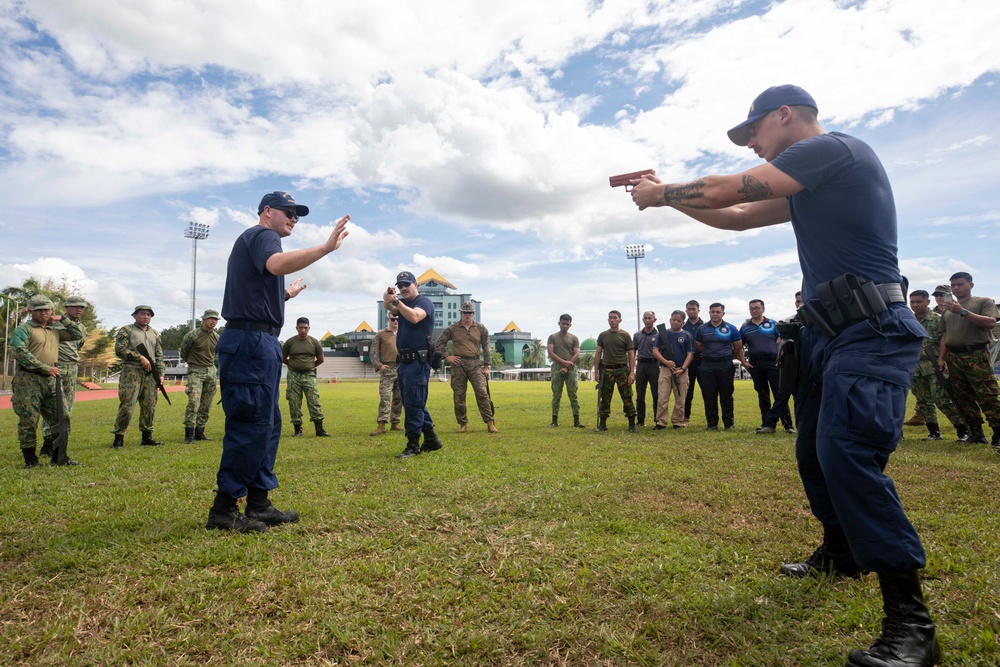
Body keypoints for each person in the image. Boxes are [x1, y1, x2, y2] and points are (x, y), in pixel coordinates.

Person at [630, 84, 939, 665]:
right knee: (813, 453)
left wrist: (662, 190)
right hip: (828, 335)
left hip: (871, 330)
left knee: (847, 453)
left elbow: (730, 188)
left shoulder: (833, 151)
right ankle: (842, 551)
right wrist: (667, 199)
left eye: (754, 135)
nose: (755, 146)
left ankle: (912, 623)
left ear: (785, 115)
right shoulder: (807, 182)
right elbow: (740, 215)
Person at [206, 191, 349, 533]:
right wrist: (325, 249)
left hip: (262, 341)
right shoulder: (263, 236)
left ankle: (258, 502)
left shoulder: (260, 241)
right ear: (267, 211)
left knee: (268, 424)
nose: (294, 218)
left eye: (298, 214)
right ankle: (224, 509)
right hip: (251, 343)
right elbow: (274, 265)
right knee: (251, 424)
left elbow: (256, 289)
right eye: (289, 212)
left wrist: (285, 295)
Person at [9, 295, 84, 467]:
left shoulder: (55, 329)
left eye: (47, 309)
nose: (44, 312)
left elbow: (77, 334)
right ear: (30, 311)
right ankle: (30, 459)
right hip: (28, 380)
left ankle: (58, 455)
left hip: (51, 380)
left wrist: (64, 319)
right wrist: (44, 367)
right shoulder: (23, 329)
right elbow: (20, 353)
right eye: (39, 309)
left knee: (62, 416)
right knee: (29, 419)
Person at [383, 271, 445, 458]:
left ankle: (413, 444)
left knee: (413, 403)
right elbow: (390, 307)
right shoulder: (403, 305)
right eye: (400, 286)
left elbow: (415, 317)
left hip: (418, 361)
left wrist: (397, 302)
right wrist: (387, 298)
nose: (403, 288)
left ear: (415, 285)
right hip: (404, 362)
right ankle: (432, 439)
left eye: (406, 285)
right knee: (413, 401)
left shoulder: (423, 302)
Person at [937, 272, 1000, 449]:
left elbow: (990, 322)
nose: (956, 288)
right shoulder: (947, 310)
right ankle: (976, 432)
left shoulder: (982, 302)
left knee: (987, 395)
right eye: (953, 285)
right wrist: (941, 358)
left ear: (970, 285)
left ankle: (998, 433)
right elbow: (945, 335)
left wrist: (963, 311)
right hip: (954, 357)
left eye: (960, 284)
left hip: (975, 355)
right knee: (962, 396)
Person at [907, 290, 966, 442]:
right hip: (915, 367)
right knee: (923, 401)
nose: (915, 304)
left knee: (942, 399)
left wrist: (942, 359)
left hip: (934, 364)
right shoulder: (909, 321)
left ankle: (963, 431)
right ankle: (934, 432)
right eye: (912, 301)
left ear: (927, 302)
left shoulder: (937, 319)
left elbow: (945, 341)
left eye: (919, 301)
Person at [435, 301, 497, 433]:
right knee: (459, 395)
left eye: (470, 313)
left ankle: (490, 422)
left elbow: (486, 347)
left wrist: (486, 366)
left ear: (473, 313)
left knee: (482, 392)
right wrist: (448, 356)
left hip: (475, 364)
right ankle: (462, 424)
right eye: (465, 312)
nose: (467, 315)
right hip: (458, 364)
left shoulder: (481, 328)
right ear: (461, 313)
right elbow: (439, 343)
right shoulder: (452, 328)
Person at [40, 295, 88, 457]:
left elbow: (78, 344)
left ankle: (61, 441)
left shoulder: (81, 327)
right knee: (53, 405)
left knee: (67, 405)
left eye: (81, 307)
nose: (79, 309)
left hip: (71, 367)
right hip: (55, 366)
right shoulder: (54, 322)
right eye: (75, 306)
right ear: (66, 307)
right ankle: (48, 442)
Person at [112, 305, 165, 449]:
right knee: (127, 405)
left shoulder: (155, 333)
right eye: (142, 314)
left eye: (149, 314)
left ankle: (147, 437)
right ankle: (119, 437)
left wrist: (160, 374)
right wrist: (139, 356)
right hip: (132, 371)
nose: (146, 316)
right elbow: (120, 349)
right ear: (134, 315)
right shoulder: (126, 330)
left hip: (150, 374)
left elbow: (159, 355)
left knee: (149, 405)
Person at [740, 299, 794, 434]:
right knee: (762, 394)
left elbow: (782, 342)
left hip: (773, 362)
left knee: (779, 393)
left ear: (763, 309)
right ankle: (767, 425)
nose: (754, 310)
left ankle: (788, 425)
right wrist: (744, 362)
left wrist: (781, 358)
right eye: (751, 308)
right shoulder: (745, 327)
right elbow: (738, 346)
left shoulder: (773, 324)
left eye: (757, 308)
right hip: (755, 364)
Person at [694, 303, 746, 431]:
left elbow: (738, 346)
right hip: (707, 365)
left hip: (725, 364)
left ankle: (729, 424)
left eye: (718, 312)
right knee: (709, 395)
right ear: (709, 313)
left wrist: (728, 356)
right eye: (713, 312)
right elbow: (698, 345)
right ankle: (712, 424)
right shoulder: (702, 329)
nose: (715, 314)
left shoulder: (731, 328)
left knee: (726, 395)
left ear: (723, 313)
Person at [282, 317, 330, 437]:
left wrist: (309, 366)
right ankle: (298, 429)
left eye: (305, 328)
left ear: (309, 328)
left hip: (309, 374)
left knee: (314, 400)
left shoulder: (314, 342)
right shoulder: (290, 342)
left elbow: (321, 359)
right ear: (296, 328)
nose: (303, 330)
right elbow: (283, 357)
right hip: (293, 375)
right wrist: (293, 365)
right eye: (301, 328)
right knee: (294, 402)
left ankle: (319, 429)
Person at [179, 309, 220, 444]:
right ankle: (189, 433)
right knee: (193, 402)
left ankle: (200, 432)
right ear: (204, 319)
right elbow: (184, 353)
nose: (213, 321)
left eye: (215, 319)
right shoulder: (192, 335)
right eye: (210, 319)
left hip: (211, 372)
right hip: (196, 371)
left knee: (206, 404)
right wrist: (193, 363)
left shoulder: (217, 337)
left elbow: (218, 353)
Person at [594, 310, 636, 432]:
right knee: (605, 397)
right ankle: (602, 424)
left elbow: (631, 355)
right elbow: (598, 354)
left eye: (614, 318)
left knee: (627, 397)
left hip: (622, 370)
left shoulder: (625, 335)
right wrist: (596, 371)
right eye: (610, 318)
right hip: (607, 370)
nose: (612, 320)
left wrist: (631, 372)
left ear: (620, 320)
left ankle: (632, 424)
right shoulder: (603, 335)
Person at [652, 310, 694, 429]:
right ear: (670, 320)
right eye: (673, 320)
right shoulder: (662, 334)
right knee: (662, 396)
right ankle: (660, 422)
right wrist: (666, 362)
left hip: (681, 370)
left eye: (678, 320)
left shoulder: (687, 336)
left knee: (680, 398)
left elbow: (690, 353)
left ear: (683, 322)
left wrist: (683, 368)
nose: (675, 322)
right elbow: (655, 351)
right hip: (665, 369)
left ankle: (677, 421)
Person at [546, 314, 585, 428]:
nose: (565, 326)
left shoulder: (574, 338)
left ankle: (576, 420)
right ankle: (554, 420)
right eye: (563, 323)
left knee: (573, 394)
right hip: (557, 367)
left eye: (567, 324)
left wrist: (567, 366)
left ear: (570, 325)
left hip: (571, 368)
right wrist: (564, 363)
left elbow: (576, 354)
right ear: (559, 323)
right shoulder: (552, 337)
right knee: (556, 394)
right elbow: (551, 353)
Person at [369, 314, 403, 436]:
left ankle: (395, 423)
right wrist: (379, 366)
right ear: (388, 319)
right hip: (387, 369)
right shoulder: (381, 334)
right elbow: (373, 352)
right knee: (385, 397)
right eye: (393, 319)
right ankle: (381, 424)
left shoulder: (405, 333)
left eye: (398, 319)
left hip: (402, 368)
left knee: (399, 398)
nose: (395, 321)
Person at [632, 311, 660, 427]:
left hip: (654, 365)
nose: (647, 320)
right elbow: (633, 352)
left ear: (654, 319)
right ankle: (640, 420)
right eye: (645, 318)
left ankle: (657, 419)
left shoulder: (659, 335)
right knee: (640, 395)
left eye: (650, 318)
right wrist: (632, 369)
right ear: (643, 320)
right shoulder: (637, 335)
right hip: (641, 365)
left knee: (656, 394)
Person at [681, 300, 704, 427]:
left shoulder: (705, 326)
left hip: (702, 362)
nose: (691, 311)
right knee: (687, 392)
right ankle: (685, 418)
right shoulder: (683, 327)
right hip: (688, 363)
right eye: (689, 309)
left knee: (707, 391)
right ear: (686, 311)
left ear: (698, 310)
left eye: (693, 309)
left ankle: (710, 418)